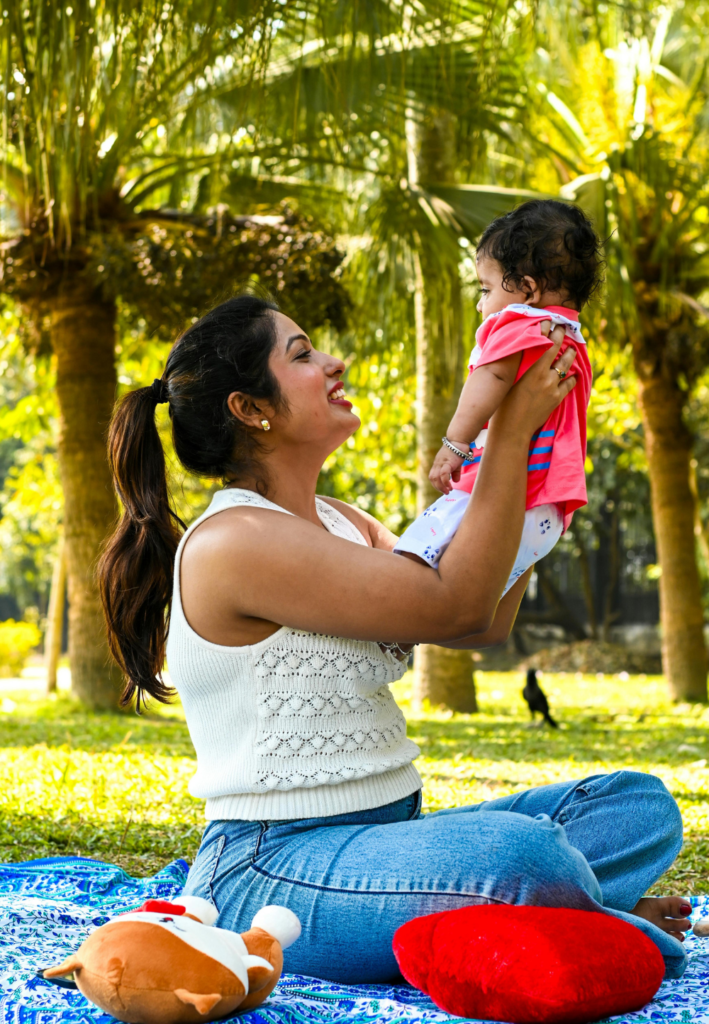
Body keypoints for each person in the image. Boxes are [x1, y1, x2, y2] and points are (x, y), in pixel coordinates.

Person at [98, 294, 690, 985]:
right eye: (301, 355)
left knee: (632, 804)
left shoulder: (343, 522)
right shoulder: (235, 541)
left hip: (383, 843)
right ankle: (595, 920)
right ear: (249, 408)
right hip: (271, 873)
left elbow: (480, 620)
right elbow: (452, 605)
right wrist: (506, 435)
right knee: (522, 856)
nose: (332, 363)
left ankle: (555, 910)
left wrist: (536, 472)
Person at [395, 200, 598, 594]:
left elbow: (489, 378)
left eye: (485, 289)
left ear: (528, 289)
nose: (480, 303)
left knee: (410, 566)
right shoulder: (573, 340)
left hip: (493, 495)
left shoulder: (518, 324)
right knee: (478, 598)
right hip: (548, 505)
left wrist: (454, 443)